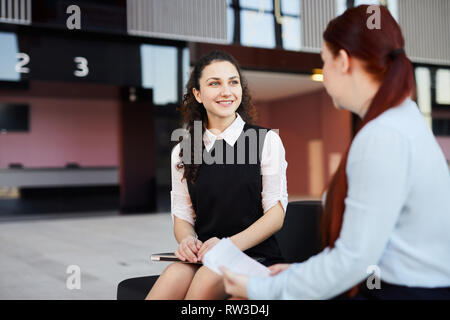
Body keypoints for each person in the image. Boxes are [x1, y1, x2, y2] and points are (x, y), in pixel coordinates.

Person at [221, 5, 450, 300]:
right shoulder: (405, 121)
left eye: (324, 62)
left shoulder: (383, 136)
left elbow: (353, 261)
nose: (323, 75)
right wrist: (296, 274)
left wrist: (258, 288)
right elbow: (371, 255)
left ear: (343, 61)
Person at [145, 50, 288, 300]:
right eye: (215, 83)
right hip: (207, 254)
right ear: (198, 95)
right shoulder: (183, 151)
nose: (226, 91)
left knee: (207, 276)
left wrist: (228, 246)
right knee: (173, 275)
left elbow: (275, 215)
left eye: (233, 82)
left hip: (254, 256)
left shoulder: (266, 141)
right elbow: (182, 215)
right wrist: (188, 240)